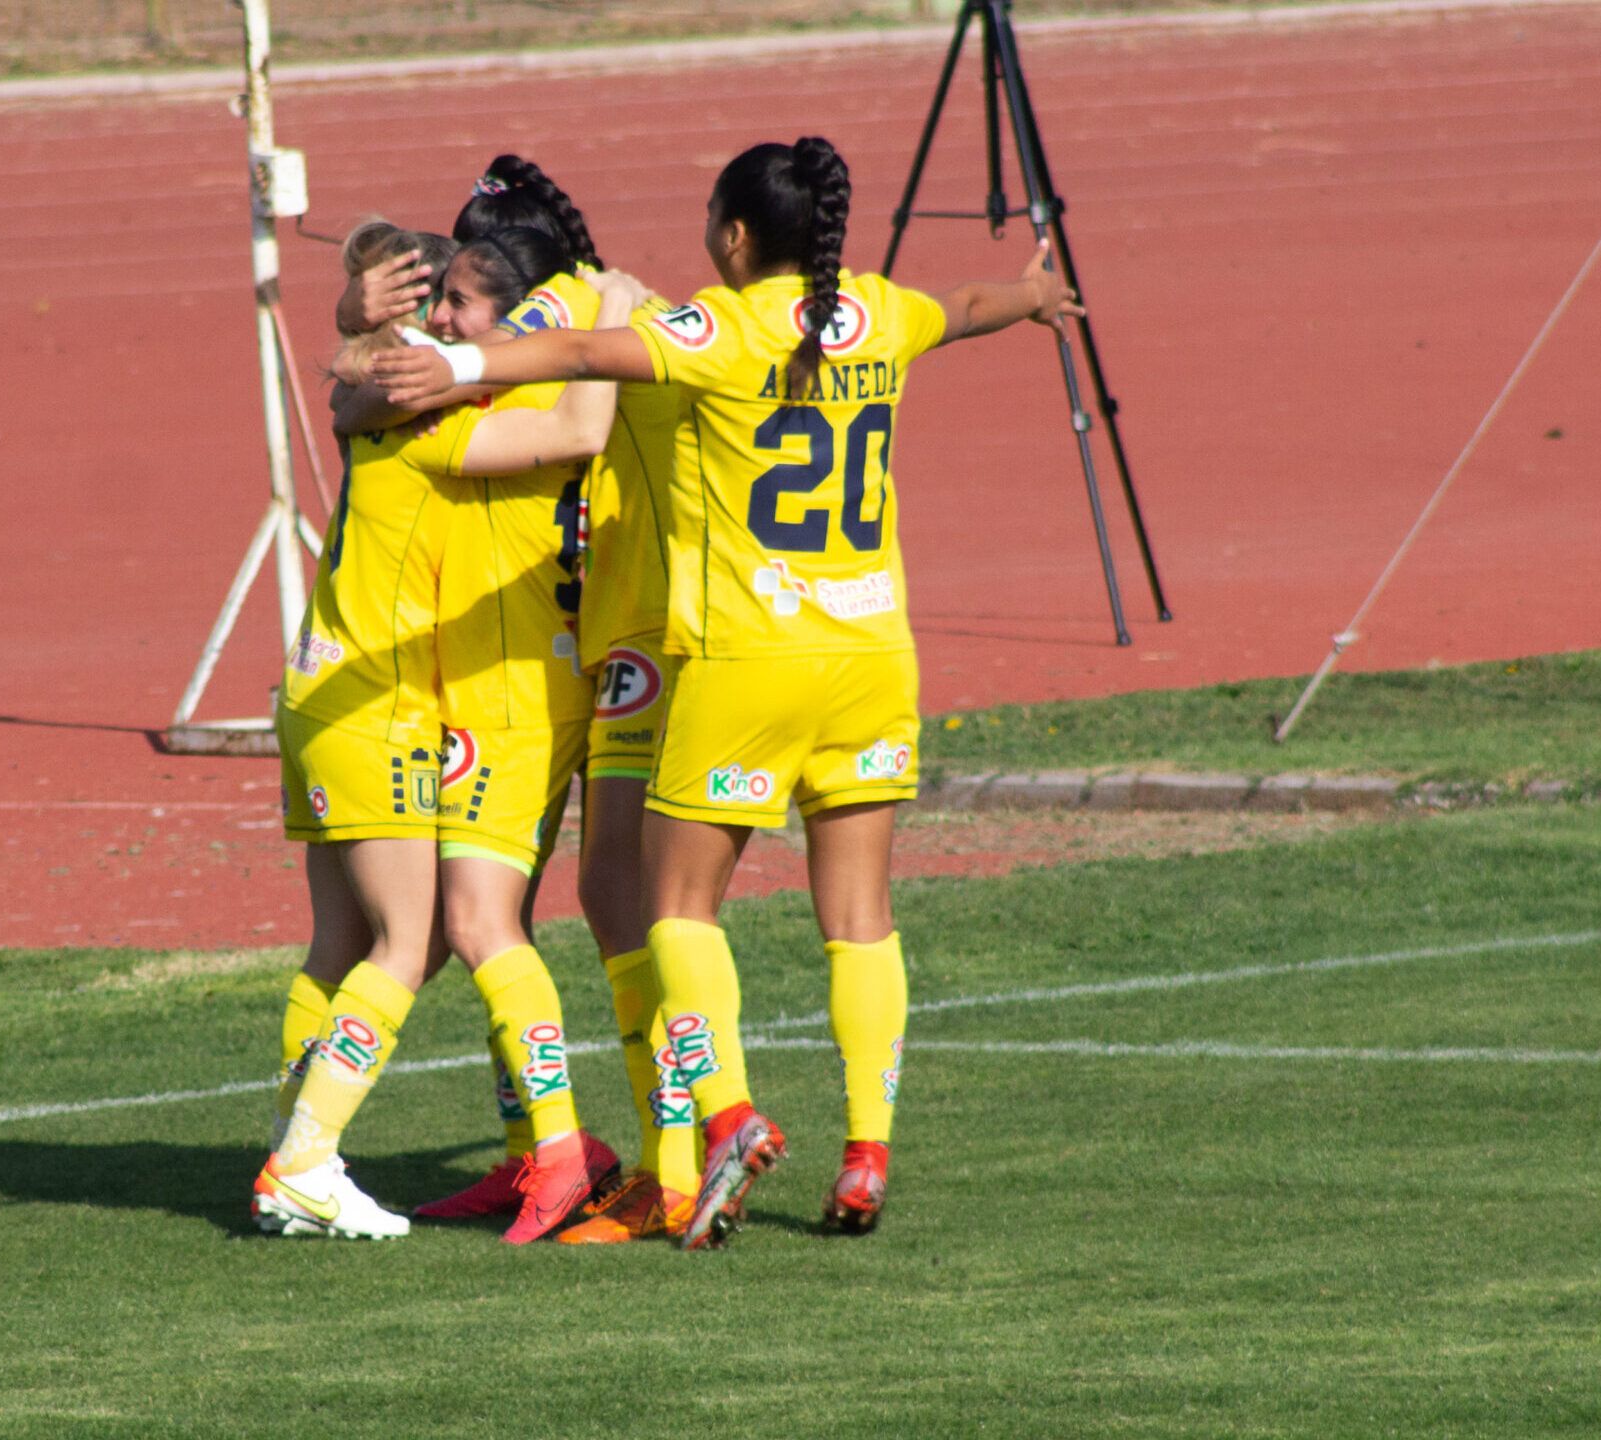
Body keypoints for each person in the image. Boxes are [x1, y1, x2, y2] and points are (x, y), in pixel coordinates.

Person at [374, 136, 1080, 1249]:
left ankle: (725, 1121)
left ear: (736, 237)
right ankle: (865, 1152)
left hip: (737, 656)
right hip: (874, 658)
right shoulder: (878, 312)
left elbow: (582, 351)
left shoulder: (713, 327)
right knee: (858, 918)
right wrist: (1038, 292)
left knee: (671, 909)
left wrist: (455, 367)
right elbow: (970, 302)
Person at [252, 223, 641, 1242]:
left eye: (459, 304)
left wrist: (352, 319)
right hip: (388, 702)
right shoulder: (435, 423)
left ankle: (296, 1148)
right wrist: (601, 319)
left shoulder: (378, 403)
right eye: (432, 303)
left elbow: (348, 385)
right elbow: (574, 433)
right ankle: (305, 1160)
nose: (440, 323)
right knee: (425, 937)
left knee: (355, 943)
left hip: (322, 690)